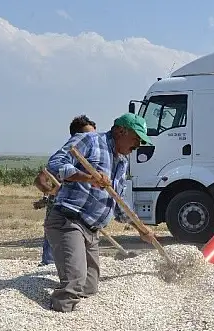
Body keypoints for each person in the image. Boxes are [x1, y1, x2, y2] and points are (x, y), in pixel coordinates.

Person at [44, 113, 155, 312]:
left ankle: (77, 306)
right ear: (121, 131)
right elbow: (55, 164)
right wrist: (87, 177)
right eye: (136, 139)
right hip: (69, 221)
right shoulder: (90, 140)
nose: (138, 146)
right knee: (74, 283)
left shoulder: (122, 161)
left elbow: (118, 202)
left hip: (92, 231)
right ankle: (58, 316)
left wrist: (140, 228)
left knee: (90, 286)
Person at [34, 115, 97, 266]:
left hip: (80, 206)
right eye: (88, 135)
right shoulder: (66, 156)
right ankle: (48, 264)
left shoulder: (89, 156)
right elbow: (40, 180)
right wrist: (51, 192)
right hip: (60, 204)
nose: (92, 139)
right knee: (54, 239)